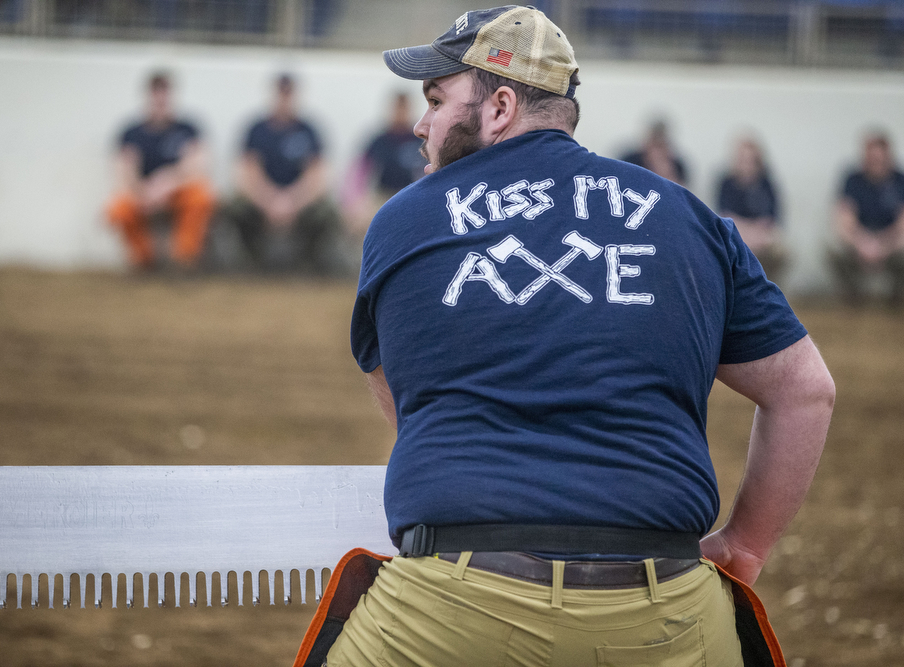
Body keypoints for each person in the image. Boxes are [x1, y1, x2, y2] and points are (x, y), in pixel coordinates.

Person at [295, 6, 835, 667]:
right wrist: (745, 545)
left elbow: (408, 406)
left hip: (450, 610)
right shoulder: (690, 218)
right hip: (664, 604)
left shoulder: (403, 221)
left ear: (498, 106)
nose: (421, 123)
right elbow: (805, 391)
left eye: (436, 99)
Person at [225, 73, 344, 275]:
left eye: (288, 93)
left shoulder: (309, 130)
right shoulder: (256, 130)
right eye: (281, 92)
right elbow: (247, 173)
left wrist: (292, 201)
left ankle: (307, 265)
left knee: (327, 212)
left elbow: (316, 176)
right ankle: (253, 263)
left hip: (299, 200)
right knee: (235, 208)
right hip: (262, 199)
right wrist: (270, 200)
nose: (284, 98)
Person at [105, 71, 215, 272]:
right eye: (156, 92)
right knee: (118, 207)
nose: (160, 98)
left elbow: (197, 166)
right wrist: (144, 192)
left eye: (164, 92)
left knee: (201, 195)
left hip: (177, 191)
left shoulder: (187, 129)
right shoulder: (131, 133)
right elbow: (124, 170)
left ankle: (184, 259)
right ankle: (143, 260)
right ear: (148, 96)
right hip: (142, 194)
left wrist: (167, 184)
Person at [341, 92, 427, 253]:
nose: (400, 112)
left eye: (404, 108)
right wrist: (355, 204)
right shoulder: (378, 140)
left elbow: (428, 174)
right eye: (397, 107)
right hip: (381, 197)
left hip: (410, 197)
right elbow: (358, 174)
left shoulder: (420, 140)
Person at [828, 132, 904, 305]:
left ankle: (897, 299)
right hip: (861, 237)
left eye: (880, 159)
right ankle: (852, 297)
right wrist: (862, 242)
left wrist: (884, 245)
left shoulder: (900, 180)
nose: (876, 163)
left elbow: (902, 223)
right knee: (833, 245)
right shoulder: (852, 179)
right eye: (871, 158)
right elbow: (845, 217)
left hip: (889, 240)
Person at [717, 137, 787, 283]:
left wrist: (757, 235)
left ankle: (770, 288)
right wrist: (746, 234)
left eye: (751, 160)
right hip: (736, 236)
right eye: (743, 159)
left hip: (762, 237)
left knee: (782, 248)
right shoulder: (726, 183)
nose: (747, 165)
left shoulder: (766, 183)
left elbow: (772, 219)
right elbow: (724, 217)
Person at [620, 118, 689, 186]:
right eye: (655, 144)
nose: (657, 152)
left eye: (660, 145)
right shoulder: (630, 161)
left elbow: (680, 191)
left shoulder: (677, 166)